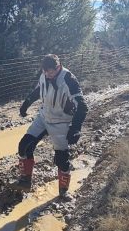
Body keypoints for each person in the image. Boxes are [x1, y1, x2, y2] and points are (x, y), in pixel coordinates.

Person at [13, 54, 88, 198]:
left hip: (61, 122)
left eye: (51, 72)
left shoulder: (68, 79)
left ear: (58, 67)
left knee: (61, 159)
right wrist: (26, 104)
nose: (47, 75)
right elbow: (38, 90)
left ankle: (63, 192)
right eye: (45, 71)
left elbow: (82, 106)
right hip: (43, 118)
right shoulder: (44, 75)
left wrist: (76, 127)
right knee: (24, 146)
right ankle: (25, 181)